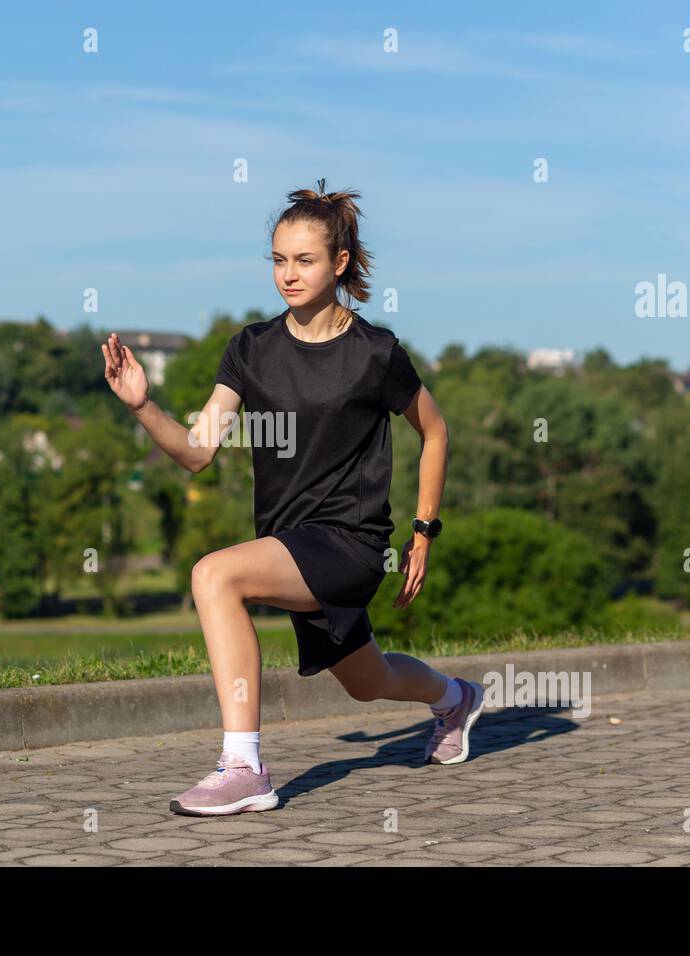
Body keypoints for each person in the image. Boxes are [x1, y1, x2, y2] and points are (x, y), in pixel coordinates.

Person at [101, 180, 483, 817]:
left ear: (338, 264)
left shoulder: (376, 353)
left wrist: (423, 531)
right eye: (278, 260)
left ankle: (244, 767)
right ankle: (455, 699)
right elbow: (198, 451)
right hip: (288, 543)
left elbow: (436, 431)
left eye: (303, 260)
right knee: (370, 682)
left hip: (351, 542)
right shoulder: (251, 349)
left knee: (214, 575)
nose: (288, 274)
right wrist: (143, 406)